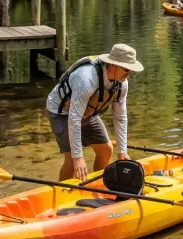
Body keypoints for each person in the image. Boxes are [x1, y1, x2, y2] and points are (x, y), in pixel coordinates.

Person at [45, 43, 144, 182]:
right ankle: (63, 192)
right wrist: (78, 157)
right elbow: (74, 118)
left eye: (131, 70)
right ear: (113, 65)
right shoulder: (87, 78)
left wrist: (122, 151)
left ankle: (96, 186)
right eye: (126, 69)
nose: (129, 73)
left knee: (106, 149)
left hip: (86, 113)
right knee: (72, 162)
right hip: (61, 112)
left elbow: (120, 117)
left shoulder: (122, 84)